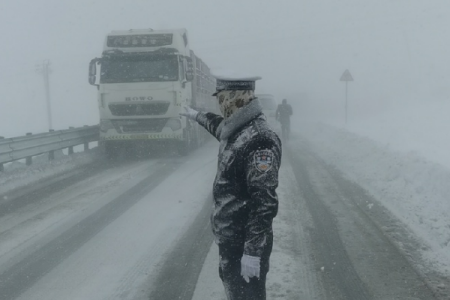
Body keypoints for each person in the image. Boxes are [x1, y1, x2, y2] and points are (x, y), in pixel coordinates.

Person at [180, 76, 282, 300]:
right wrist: (197, 116)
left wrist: (253, 252)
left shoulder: (259, 139)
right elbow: (219, 127)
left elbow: (264, 202)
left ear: (239, 98)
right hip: (232, 240)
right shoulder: (238, 128)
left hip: (244, 243)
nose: (221, 104)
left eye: (224, 98)